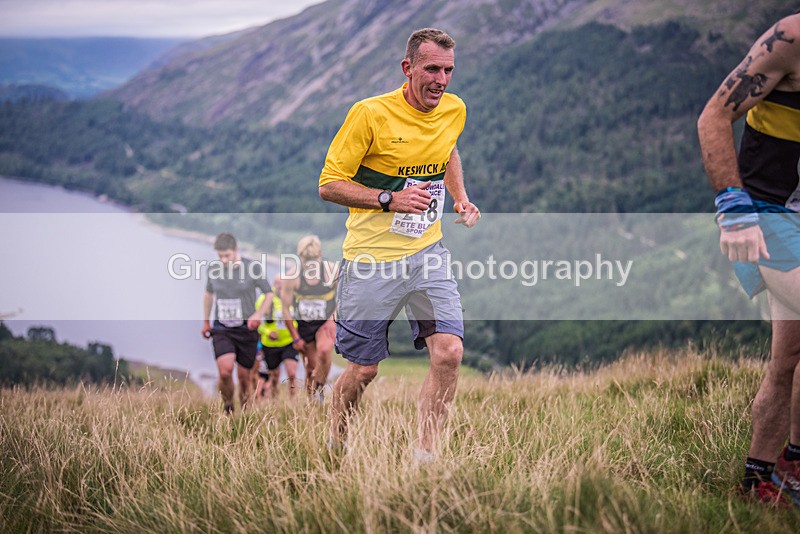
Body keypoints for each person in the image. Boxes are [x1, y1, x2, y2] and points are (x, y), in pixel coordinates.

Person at [318, 28, 481, 462]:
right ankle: (336, 442)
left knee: (449, 352)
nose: (441, 80)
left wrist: (460, 197)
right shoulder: (369, 115)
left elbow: (447, 151)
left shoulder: (454, 109)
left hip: (428, 253)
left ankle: (424, 458)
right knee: (363, 370)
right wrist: (390, 200)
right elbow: (329, 185)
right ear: (408, 69)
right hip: (371, 260)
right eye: (431, 69)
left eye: (448, 70)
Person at [697, 12, 800, 505]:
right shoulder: (791, 38)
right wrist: (733, 210)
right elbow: (713, 115)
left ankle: (760, 482)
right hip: (766, 215)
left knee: (789, 357)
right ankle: (793, 470)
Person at [202, 232, 272, 413]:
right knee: (225, 371)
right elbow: (209, 294)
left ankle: (246, 413)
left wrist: (258, 315)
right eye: (220, 256)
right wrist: (205, 321)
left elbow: (269, 294)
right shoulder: (214, 270)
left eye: (227, 255)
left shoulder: (252, 268)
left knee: (244, 377)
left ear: (236, 250)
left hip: (246, 329)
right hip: (222, 328)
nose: (224, 260)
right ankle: (228, 407)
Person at [280, 235, 337, 401]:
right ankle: (312, 400)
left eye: (314, 260)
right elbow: (285, 309)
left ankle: (319, 389)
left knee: (325, 352)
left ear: (320, 255)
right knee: (311, 366)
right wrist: (295, 337)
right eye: (306, 260)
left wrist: (333, 320)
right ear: (300, 258)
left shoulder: (331, 271)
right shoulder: (292, 277)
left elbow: (343, 300)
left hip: (325, 322)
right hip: (304, 325)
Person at [254, 276, 299, 400]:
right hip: (270, 345)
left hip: (289, 342)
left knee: (292, 373)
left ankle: (293, 401)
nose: (279, 287)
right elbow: (256, 322)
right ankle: (274, 400)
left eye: (282, 284)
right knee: (274, 376)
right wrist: (268, 332)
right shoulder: (265, 299)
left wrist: (296, 334)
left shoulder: (293, 298)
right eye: (276, 284)